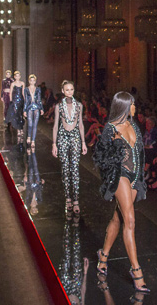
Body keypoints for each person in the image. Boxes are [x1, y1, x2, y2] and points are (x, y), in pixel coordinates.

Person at [93, 91, 149, 293]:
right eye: (132, 104)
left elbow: (140, 153)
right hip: (119, 176)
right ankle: (136, 270)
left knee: (118, 218)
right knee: (130, 220)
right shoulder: (110, 128)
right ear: (124, 106)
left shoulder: (134, 125)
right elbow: (100, 159)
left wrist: (140, 178)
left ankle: (103, 256)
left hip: (135, 177)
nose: (135, 108)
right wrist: (117, 147)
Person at [52, 80, 87, 215]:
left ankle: (76, 200)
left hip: (75, 137)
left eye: (71, 89)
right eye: (67, 90)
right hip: (62, 137)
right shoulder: (59, 106)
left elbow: (81, 124)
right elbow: (56, 125)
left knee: (75, 169)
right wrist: (54, 144)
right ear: (63, 91)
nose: (69, 92)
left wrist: (83, 142)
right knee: (65, 168)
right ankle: (68, 198)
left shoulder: (79, 106)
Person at [23, 74, 43, 148]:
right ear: (29, 81)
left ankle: (33, 141)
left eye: (33, 80)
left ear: (35, 81)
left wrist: (41, 109)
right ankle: (29, 136)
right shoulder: (26, 89)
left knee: (35, 124)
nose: (32, 82)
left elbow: (39, 99)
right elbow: (26, 100)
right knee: (30, 123)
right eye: (31, 80)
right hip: (29, 107)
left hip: (36, 107)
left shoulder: (38, 89)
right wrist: (24, 110)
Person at [5, 71, 26, 138]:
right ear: (14, 77)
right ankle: (18, 129)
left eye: (18, 76)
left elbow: (23, 92)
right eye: (16, 76)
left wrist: (25, 100)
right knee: (16, 115)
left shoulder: (22, 83)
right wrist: (11, 101)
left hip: (21, 100)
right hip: (15, 101)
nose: (17, 77)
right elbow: (10, 93)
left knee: (21, 115)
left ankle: (21, 128)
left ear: (20, 76)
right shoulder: (13, 84)